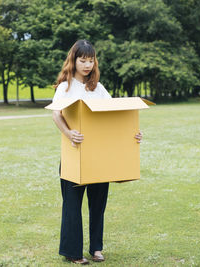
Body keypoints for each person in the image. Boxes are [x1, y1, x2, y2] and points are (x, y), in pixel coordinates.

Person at [51, 40, 143, 264]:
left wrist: (134, 133)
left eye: (90, 60)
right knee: (72, 206)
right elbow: (56, 114)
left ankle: (97, 249)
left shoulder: (98, 88)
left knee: (98, 205)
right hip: (75, 156)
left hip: (99, 157)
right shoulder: (66, 87)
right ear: (73, 60)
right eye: (82, 60)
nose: (87, 65)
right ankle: (73, 253)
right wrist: (69, 133)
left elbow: (114, 114)